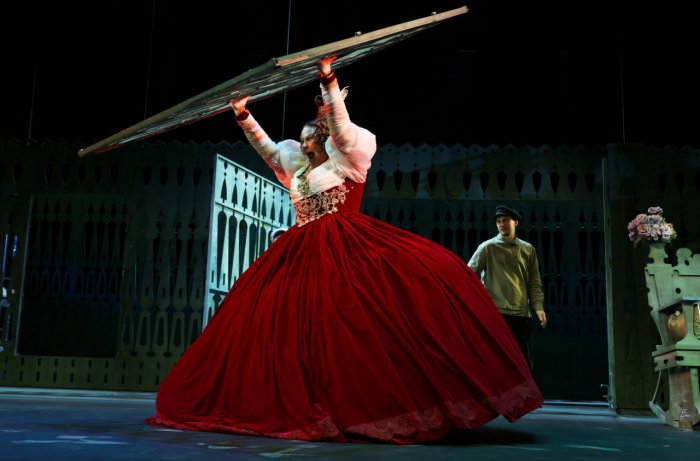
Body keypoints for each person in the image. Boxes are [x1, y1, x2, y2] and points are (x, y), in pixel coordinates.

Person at [146, 57, 543, 444]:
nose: (303, 145)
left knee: (351, 319)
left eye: (309, 139)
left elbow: (341, 126)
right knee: (281, 321)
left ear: (322, 140)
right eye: (302, 140)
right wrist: (243, 114)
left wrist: (328, 81)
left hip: (343, 245)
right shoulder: (298, 170)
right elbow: (267, 150)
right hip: (300, 250)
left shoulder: (346, 163)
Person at [467, 205, 547, 371]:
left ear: (515, 222)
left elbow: (534, 282)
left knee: (523, 363)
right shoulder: (487, 247)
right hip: (496, 313)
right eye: (498, 221)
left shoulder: (527, 249)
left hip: (521, 314)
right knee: (494, 362)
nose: (501, 224)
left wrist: (538, 307)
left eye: (505, 220)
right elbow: (468, 276)